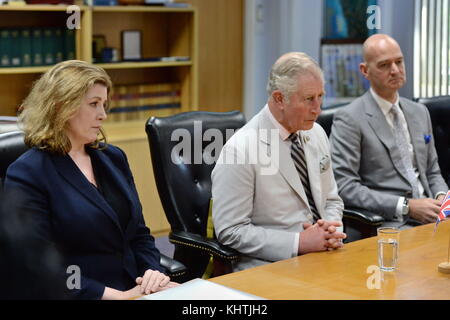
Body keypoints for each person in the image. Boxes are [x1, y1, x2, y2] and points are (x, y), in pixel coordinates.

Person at [3, 60, 177, 299]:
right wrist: (117, 296)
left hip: (135, 286)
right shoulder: (27, 172)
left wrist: (152, 272)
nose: (103, 115)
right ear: (60, 107)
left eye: (104, 104)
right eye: (94, 104)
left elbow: (138, 232)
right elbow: (35, 265)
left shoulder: (113, 158)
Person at [211, 52, 346, 272]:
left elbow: (331, 199)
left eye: (321, 96)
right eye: (309, 99)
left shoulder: (316, 133)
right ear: (279, 98)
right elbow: (231, 230)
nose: (318, 108)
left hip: (325, 255)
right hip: (272, 265)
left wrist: (330, 229)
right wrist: (299, 243)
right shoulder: (240, 149)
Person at [329, 34, 448, 228]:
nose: (395, 70)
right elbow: (345, 186)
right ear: (365, 70)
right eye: (384, 65)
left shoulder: (419, 112)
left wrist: (442, 200)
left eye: (399, 62)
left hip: (434, 217)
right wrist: (406, 206)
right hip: (392, 222)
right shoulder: (350, 118)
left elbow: (432, 171)